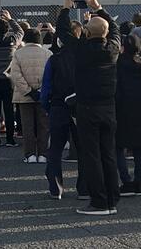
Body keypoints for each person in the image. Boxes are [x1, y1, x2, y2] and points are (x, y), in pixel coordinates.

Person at [57, 0, 121, 216]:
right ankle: (112, 198)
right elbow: (115, 29)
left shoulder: (80, 50)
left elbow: (64, 33)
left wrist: (65, 9)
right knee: (108, 154)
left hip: (87, 108)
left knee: (91, 156)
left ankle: (99, 201)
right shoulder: (113, 49)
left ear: (85, 32)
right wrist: (98, 8)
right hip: (109, 108)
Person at [42, 17, 88, 200]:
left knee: (55, 148)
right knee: (84, 148)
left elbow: (45, 89)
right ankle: (84, 188)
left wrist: (47, 106)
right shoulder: (85, 59)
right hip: (81, 107)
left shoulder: (54, 60)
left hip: (58, 106)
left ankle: (56, 187)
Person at [114, 35, 141, 197]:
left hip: (121, 112)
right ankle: (138, 182)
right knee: (139, 149)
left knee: (119, 148)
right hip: (140, 113)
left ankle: (126, 181)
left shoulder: (117, 65)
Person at [11, 28, 52, 163]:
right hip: (43, 95)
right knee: (43, 126)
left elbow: (15, 75)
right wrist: (40, 90)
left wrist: (28, 91)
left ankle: (30, 155)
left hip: (24, 96)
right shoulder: (48, 53)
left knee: (27, 126)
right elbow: (51, 76)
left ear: (25, 39)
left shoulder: (18, 54)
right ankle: (43, 154)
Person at [0, 11, 24, 147]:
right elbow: (20, 32)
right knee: (8, 110)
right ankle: (10, 139)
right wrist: (11, 19)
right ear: (7, 31)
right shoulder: (12, 42)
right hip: (8, 80)